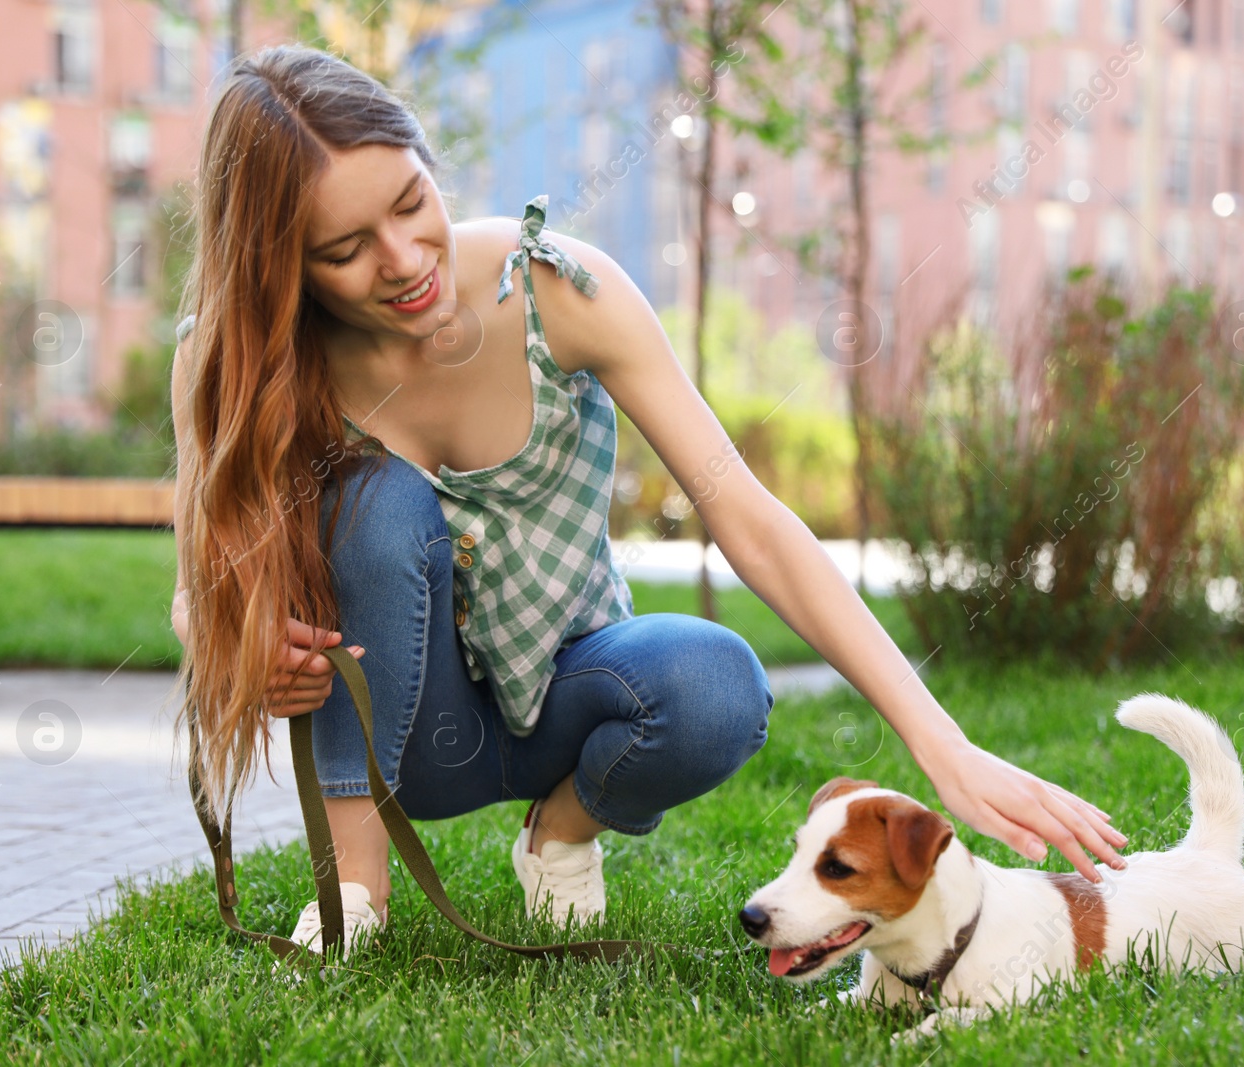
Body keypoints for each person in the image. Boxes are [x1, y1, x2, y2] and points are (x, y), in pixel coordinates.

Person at [168, 44, 1127, 956]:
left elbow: (747, 518)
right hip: (405, 739)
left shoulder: (555, 290)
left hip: (567, 698)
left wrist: (940, 742)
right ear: (280, 265)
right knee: (372, 502)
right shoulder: (235, 365)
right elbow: (195, 588)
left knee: (718, 682)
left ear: (426, 159)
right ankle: (355, 892)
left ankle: (562, 829)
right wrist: (249, 647)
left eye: (412, 202)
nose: (404, 258)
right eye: (344, 249)